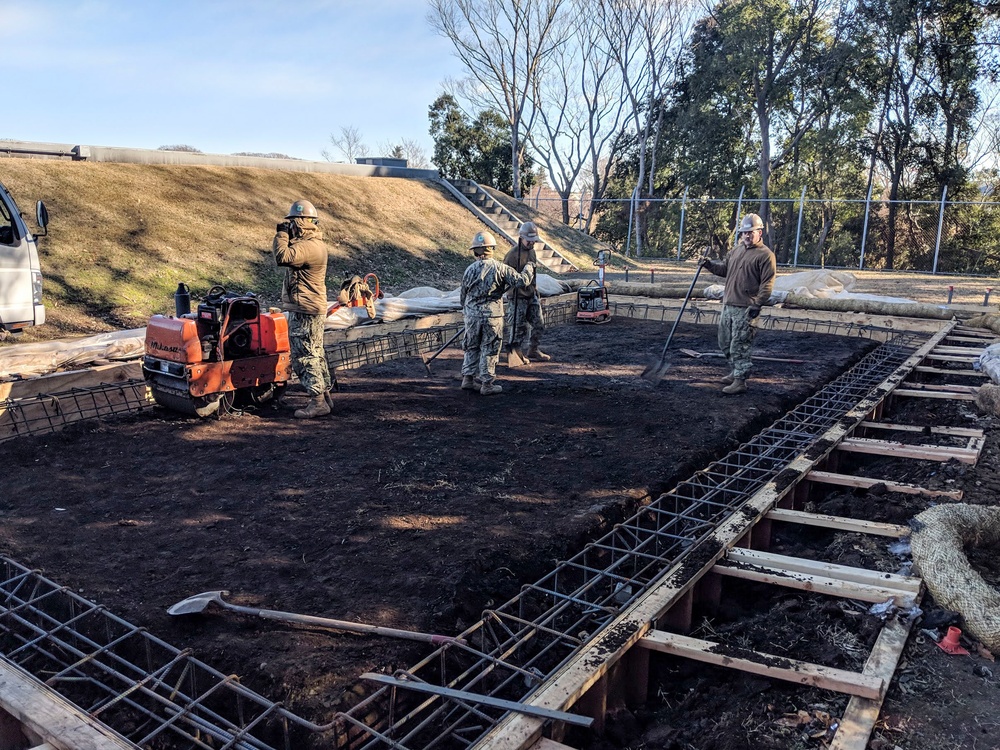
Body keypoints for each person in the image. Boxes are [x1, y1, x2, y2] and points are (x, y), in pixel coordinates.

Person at [700, 213, 776, 395]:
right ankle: (735, 371)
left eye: (751, 232)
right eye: (744, 233)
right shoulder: (736, 251)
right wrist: (709, 265)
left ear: (759, 233)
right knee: (724, 341)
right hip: (729, 304)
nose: (747, 236)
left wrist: (757, 304)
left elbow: (767, 283)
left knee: (740, 344)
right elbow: (725, 270)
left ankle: (740, 380)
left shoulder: (766, 255)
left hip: (746, 307)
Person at [273, 200, 334, 418]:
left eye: (292, 223)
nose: (290, 227)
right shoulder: (313, 243)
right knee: (316, 353)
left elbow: (283, 257)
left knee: (304, 355)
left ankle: (317, 402)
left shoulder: (308, 246)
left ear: (300, 223)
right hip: (310, 307)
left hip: (305, 309)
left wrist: (281, 235)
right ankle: (324, 397)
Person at [460, 231, 536, 395]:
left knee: (471, 346)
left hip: (472, 316)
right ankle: (487, 384)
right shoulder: (500, 268)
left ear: (475, 251)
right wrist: (529, 267)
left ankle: (468, 379)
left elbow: (463, 295)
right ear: (492, 249)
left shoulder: (469, 270)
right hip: (492, 316)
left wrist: (467, 313)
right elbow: (522, 281)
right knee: (489, 348)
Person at [503, 221, 550, 362]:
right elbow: (504, 276)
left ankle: (533, 349)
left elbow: (534, 273)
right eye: (529, 241)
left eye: (533, 241)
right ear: (521, 238)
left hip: (530, 294)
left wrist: (535, 289)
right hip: (517, 297)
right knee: (518, 327)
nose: (531, 244)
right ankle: (515, 355)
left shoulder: (532, 253)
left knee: (539, 324)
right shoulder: (512, 255)